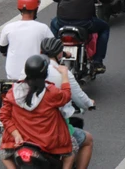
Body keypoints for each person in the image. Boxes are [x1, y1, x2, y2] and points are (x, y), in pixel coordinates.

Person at [0, 55, 73, 169]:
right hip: (48, 143)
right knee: (72, 150)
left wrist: (16, 134)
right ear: (45, 74)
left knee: (2, 148)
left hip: (21, 141)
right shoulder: (51, 92)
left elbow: (4, 116)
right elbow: (66, 96)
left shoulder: (14, 91)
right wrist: (64, 75)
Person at [39, 38, 95, 169]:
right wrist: (88, 103)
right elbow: (75, 96)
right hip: (53, 131)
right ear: (59, 53)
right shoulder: (60, 78)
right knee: (84, 141)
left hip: (27, 130)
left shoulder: (23, 79)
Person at [0, 0, 54, 79]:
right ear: (36, 8)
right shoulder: (43, 28)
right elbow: (54, 47)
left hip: (13, 77)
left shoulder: (8, 27)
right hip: (35, 75)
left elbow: (2, 49)